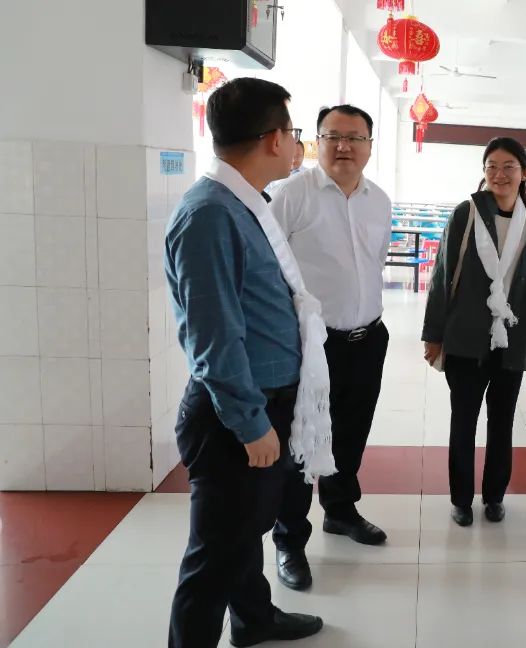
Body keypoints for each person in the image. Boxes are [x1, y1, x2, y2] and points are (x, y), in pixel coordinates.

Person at [164, 77, 324, 647]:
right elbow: (212, 338)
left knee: (243, 531)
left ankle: (254, 619)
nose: (297, 143)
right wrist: (251, 423)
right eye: (294, 131)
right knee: (214, 555)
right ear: (274, 139)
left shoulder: (243, 202)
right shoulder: (210, 214)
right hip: (234, 415)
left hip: (262, 401)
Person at [267, 104, 393, 591]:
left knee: (350, 434)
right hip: (309, 345)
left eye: (355, 138)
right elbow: (267, 268)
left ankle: (340, 511)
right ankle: (289, 541)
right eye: (333, 136)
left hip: (367, 338)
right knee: (302, 441)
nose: (344, 146)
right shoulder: (291, 195)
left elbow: (374, 263)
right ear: (316, 141)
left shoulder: (379, 201)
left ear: (369, 146)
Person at [422, 137, 526, 527]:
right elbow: (442, 276)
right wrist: (433, 333)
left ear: (525, 172)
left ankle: (495, 496)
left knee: (502, 422)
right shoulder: (466, 215)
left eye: (508, 167)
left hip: (512, 340)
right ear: (483, 171)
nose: (499, 174)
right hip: (465, 336)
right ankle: (461, 499)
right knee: (463, 421)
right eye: (492, 166)